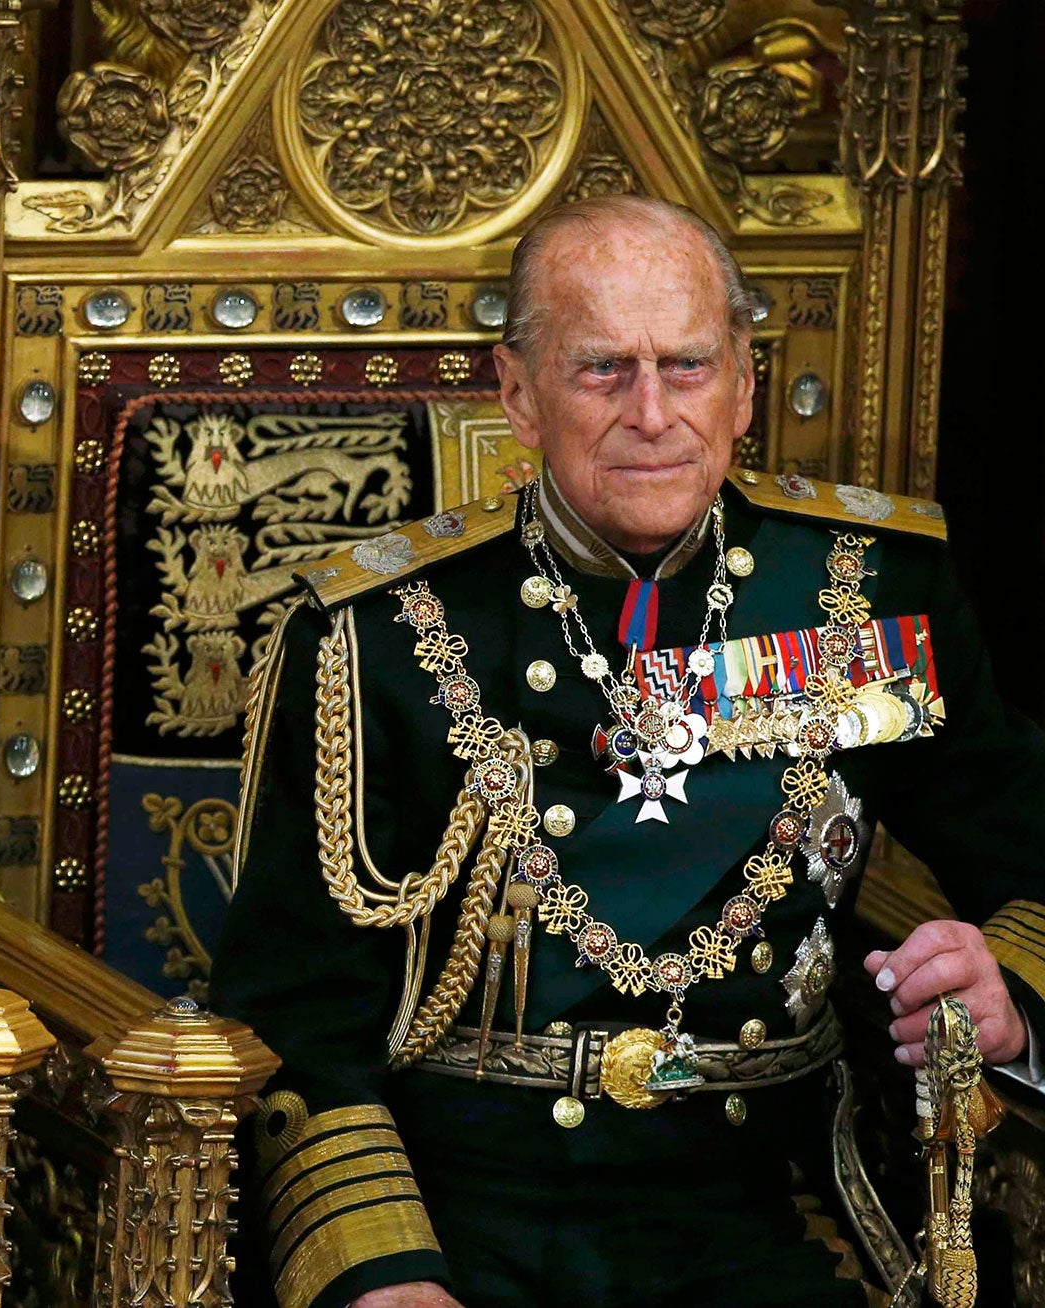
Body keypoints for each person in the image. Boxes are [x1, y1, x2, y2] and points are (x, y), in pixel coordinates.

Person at [214, 194, 1045, 1308]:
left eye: (687, 367)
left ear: (743, 385)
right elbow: (293, 1004)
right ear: (517, 392)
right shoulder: (374, 629)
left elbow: (1025, 852)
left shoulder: (863, 591)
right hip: (464, 1208)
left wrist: (1007, 991)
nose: (651, 413)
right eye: (601, 369)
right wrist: (378, 1271)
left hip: (766, 1200)